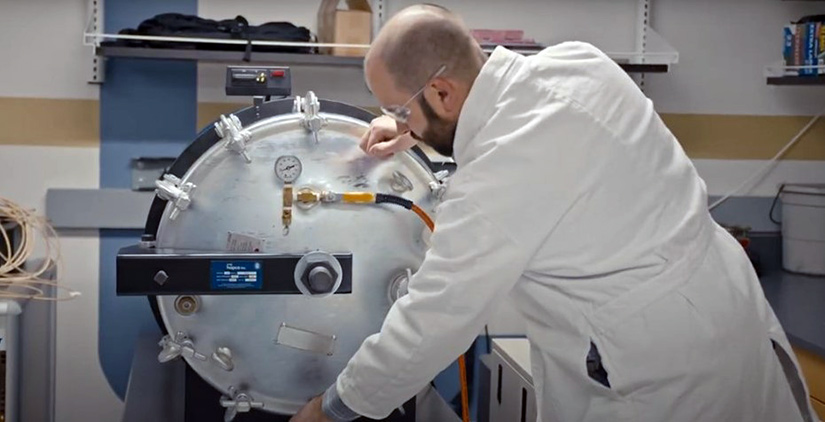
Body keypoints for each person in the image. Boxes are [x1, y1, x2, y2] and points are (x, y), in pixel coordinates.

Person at [292, 5, 816, 422]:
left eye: (401, 110)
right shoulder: (579, 63)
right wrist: (412, 128)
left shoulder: (498, 178)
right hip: (728, 307)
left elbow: (433, 321)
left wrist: (333, 407)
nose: (400, 121)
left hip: (659, 375)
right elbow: (510, 142)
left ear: (441, 92)